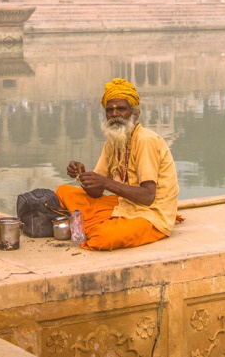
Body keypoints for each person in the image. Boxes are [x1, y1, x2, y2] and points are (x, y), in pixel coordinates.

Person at [57, 78, 178, 251]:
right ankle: (93, 225)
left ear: (135, 114)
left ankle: (93, 227)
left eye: (121, 109)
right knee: (64, 191)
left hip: (151, 213)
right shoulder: (113, 140)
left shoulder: (145, 140)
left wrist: (105, 182)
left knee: (103, 237)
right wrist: (82, 175)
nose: (114, 114)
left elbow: (147, 197)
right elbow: (97, 192)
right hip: (124, 204)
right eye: (110, 110)